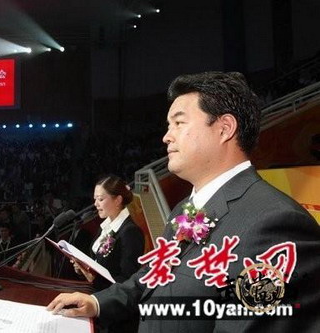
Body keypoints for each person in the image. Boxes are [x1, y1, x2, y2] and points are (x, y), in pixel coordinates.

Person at [47, 72, 320, 332]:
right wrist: (96, 303)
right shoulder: (183, 209)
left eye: (179, 123)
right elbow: (151, 279)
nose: (167, 136)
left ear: (225, 128)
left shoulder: (275, 224)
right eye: (169, 126)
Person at [72, 175, 144, 292]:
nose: (95, 204)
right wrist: (82, 268)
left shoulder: (130, 232)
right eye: (95, 199)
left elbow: (127, 280)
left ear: (118, 200)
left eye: (100, 199)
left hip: (110, 301)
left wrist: (94, 279)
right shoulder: (105, 227)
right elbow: (97, 263)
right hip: (97, 292)